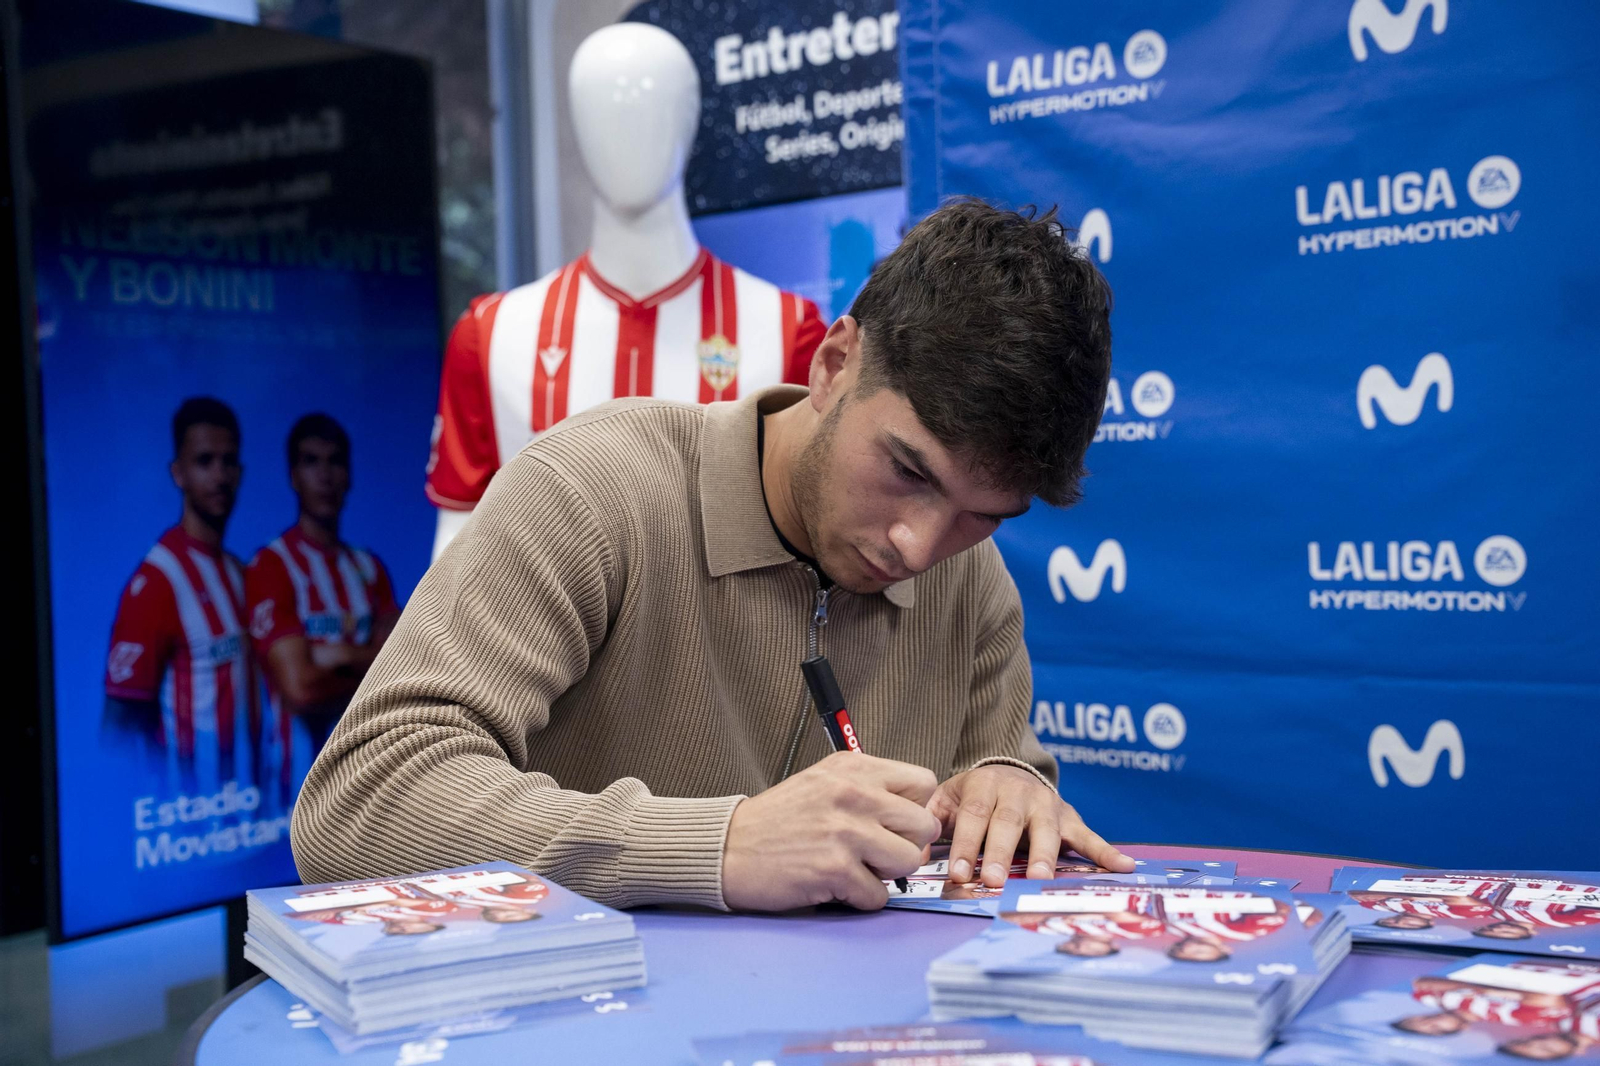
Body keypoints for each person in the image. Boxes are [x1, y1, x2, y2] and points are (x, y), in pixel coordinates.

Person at [293, 198, 1130, 911]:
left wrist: (1011, 788)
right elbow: (357, 802)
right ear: (836, 365)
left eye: (982, 515)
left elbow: (999, 785)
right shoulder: (595, 493)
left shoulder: (969, 577)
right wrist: (719, 844)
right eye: (907, 469)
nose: (919, 544)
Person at [246, 415, 400, 808]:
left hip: (367, 791)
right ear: (293, 476)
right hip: (290, 798)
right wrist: (369, 672)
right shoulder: (272, 566)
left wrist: (338, 655)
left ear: (349, 475)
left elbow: (400, 672)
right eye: (311, 462)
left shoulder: (369, 568)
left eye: (335, 462)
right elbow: (301, 689)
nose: (325, 475)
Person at [104, 398, 255, 795]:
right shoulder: (156, 583)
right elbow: (119, 729)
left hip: (250, 819)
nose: (219, 476)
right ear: (178, 473)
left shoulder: (241, 574)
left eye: (228, 462)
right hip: (189, 832)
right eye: (204, 461)